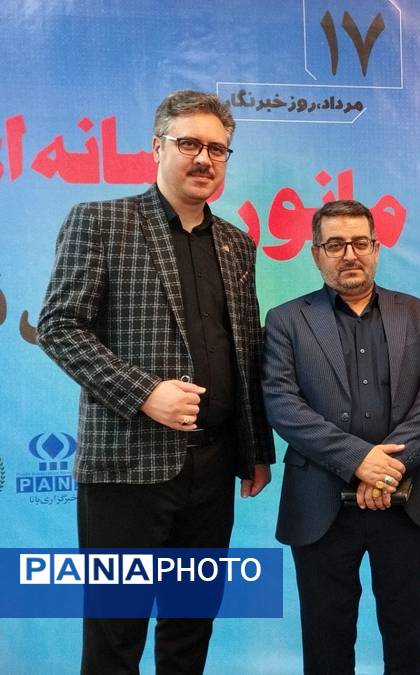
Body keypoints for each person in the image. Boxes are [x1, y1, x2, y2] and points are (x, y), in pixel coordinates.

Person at [37, 90, 273, 673]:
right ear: (157, 148)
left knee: (191, 628)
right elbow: (59, 326)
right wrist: (144, 392)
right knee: (115, 636)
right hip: (126, 466)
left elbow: (245, 349)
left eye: (217, 148)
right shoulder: (102, 221)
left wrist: (255, 449)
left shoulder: (237, 244)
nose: (204, 159)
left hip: (213, 469)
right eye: (189, 143)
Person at [262, 199, 420, 673]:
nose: (350, 254)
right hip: (319, 502)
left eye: (360, 243)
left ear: (376, 248)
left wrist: (388, 469)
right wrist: (358, 460)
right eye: (335, 245)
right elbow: (282, 403)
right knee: (326, 641)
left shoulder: (416, 313)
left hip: (405, 498)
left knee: (408, 637)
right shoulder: (287, 320)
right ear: (315, 253)